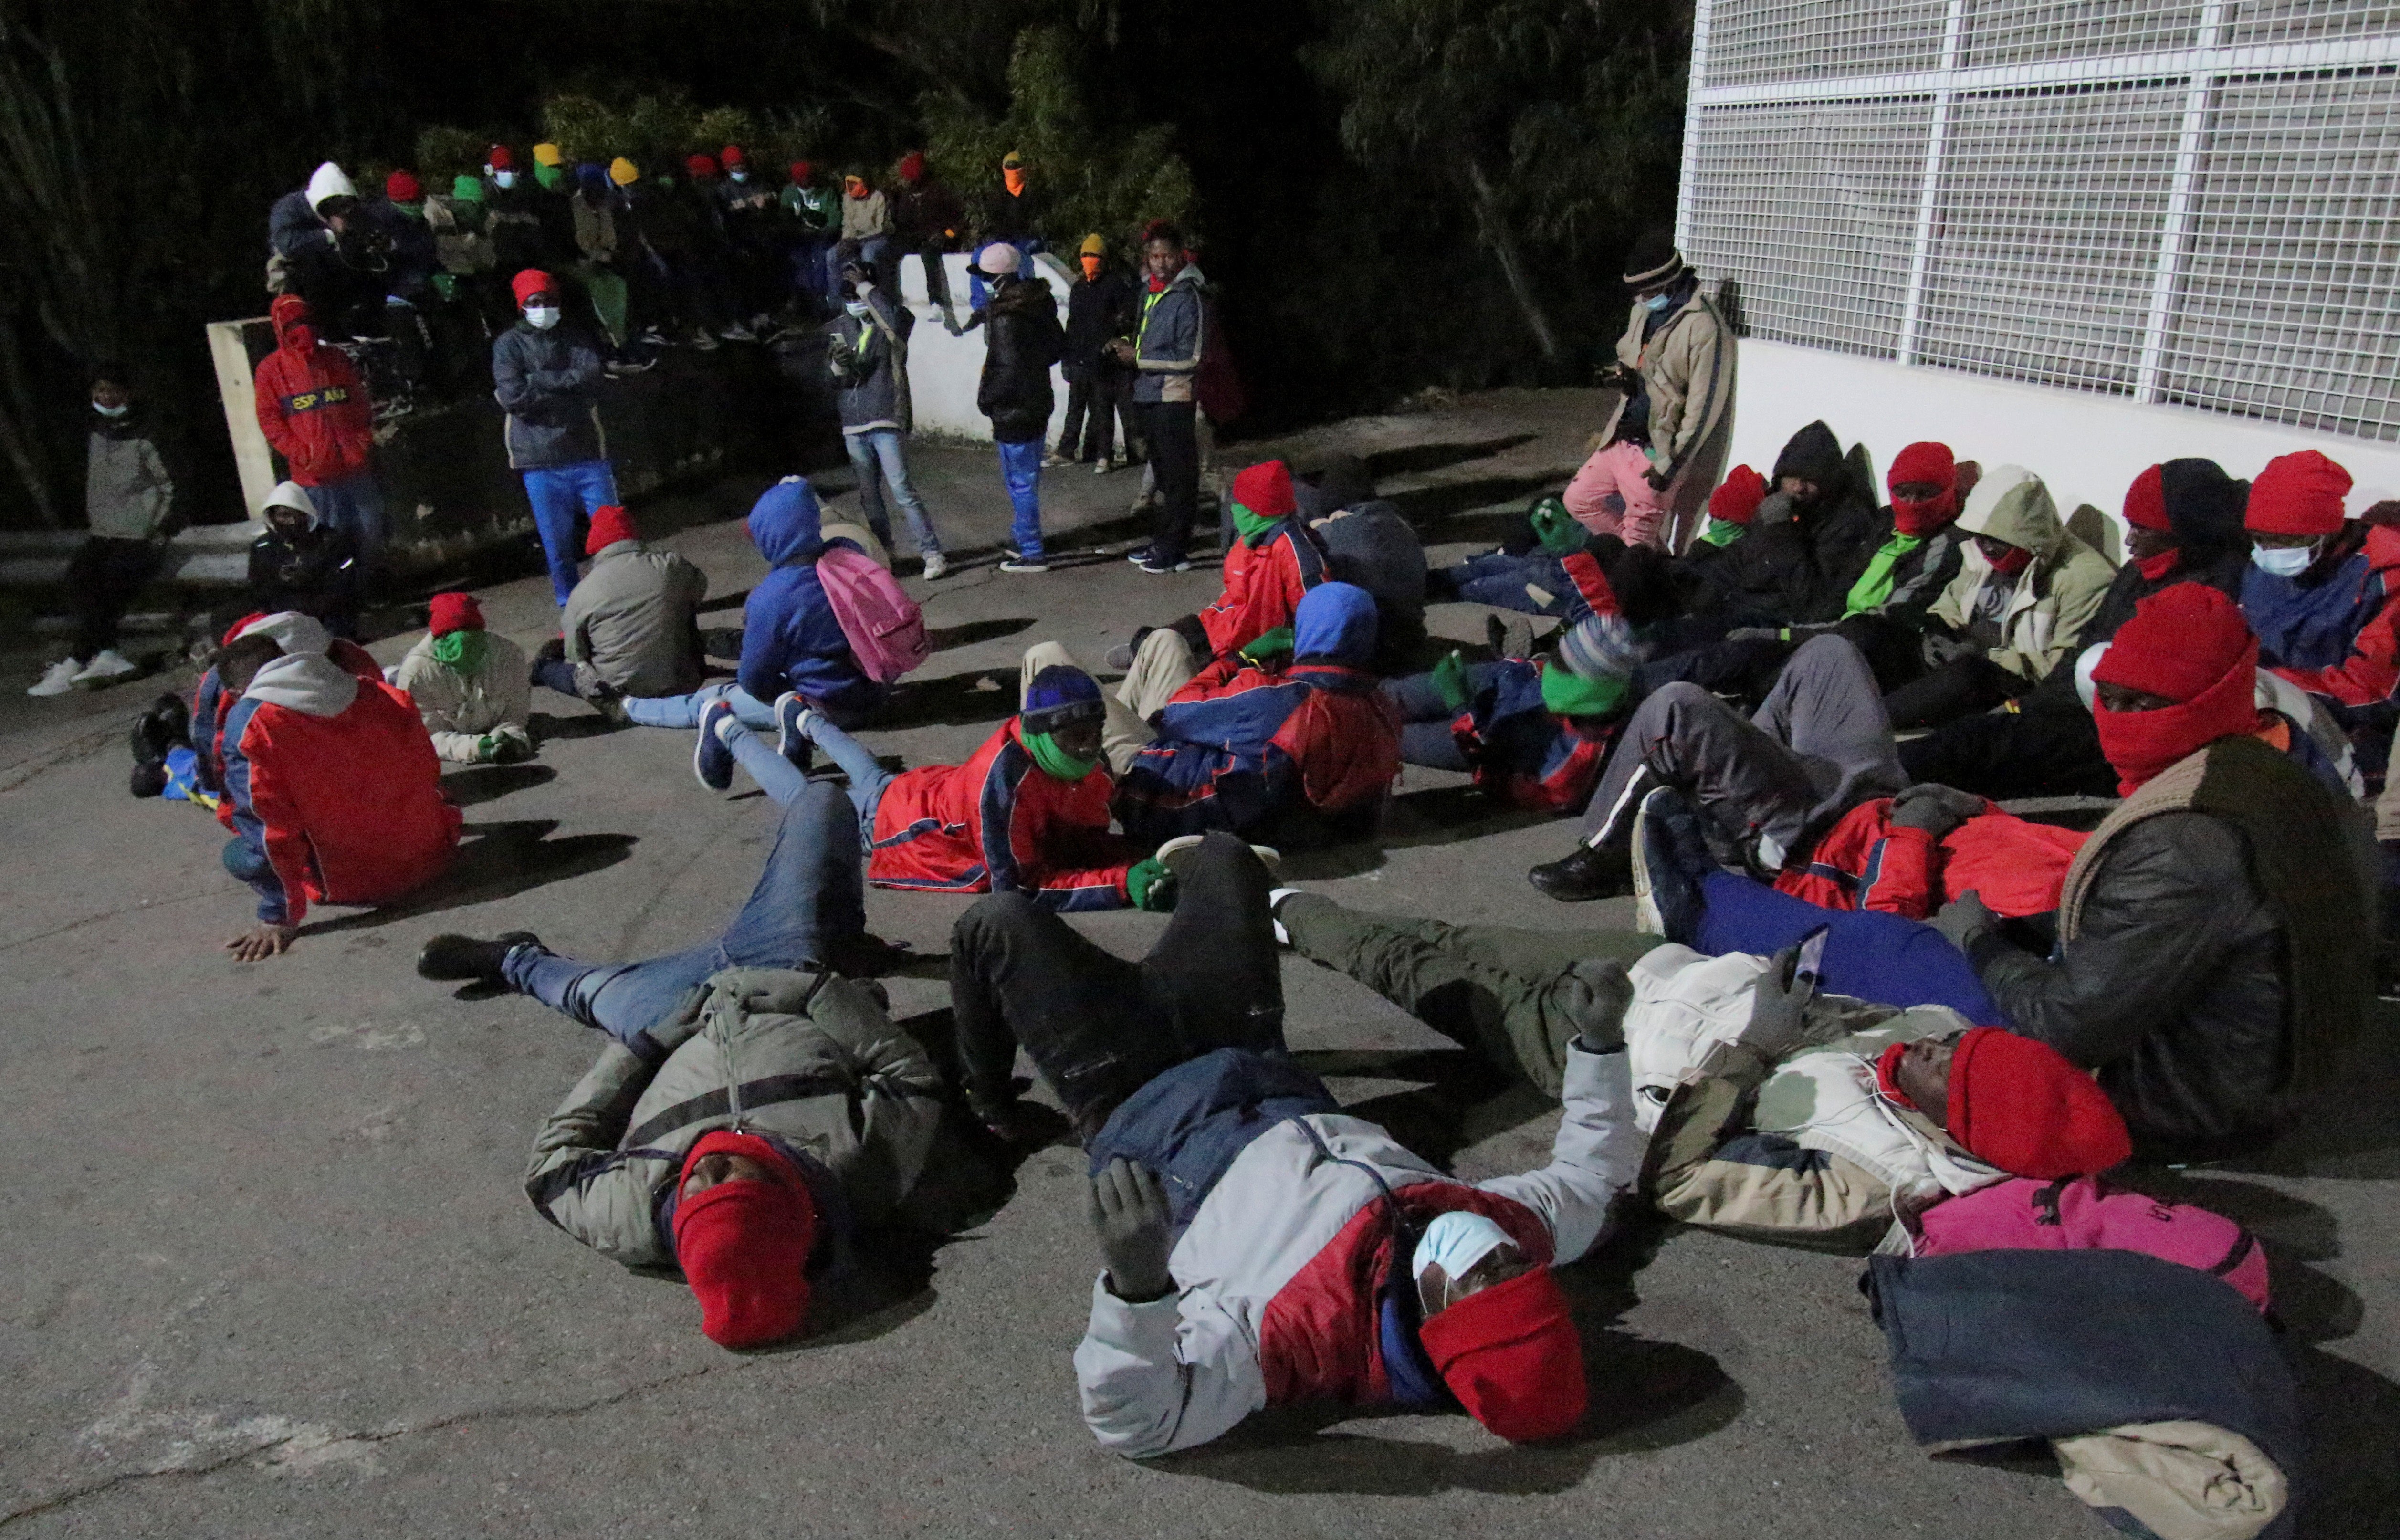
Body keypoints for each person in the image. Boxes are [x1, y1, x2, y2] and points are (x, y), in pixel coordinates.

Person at [946, 837, 1641, 1454]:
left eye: (1486, 1280)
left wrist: (1137, 1291)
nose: (1499, 1252)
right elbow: (1593, 1173)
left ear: (1437, 1323)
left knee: (996, 922)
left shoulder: (1294, 1340)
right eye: (1520, 1268)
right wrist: (1600, 1045)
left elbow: (1137, 1421)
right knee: (1225, 858)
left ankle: (987, 1100)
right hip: (1255, 1057)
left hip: (1133, 1092)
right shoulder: (1506, 1225)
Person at [413, 781, 950, 1350]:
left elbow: (549, 1168)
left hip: (669, 1015)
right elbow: (909, 1077)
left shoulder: (632, 1214)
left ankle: (514, 956)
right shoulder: (860, 1169)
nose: (709, 1166)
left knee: (584, 989)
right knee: (822, 801)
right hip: (783, 969)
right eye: (735, 1181)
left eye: (697, 1190)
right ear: (790, 1200)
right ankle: (844, 941)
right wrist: (820, 992)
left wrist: (644, 1047)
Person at [1931, 582, 2370, 1153]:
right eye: (2110, 698)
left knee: (1913, 1025)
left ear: (2209, 699)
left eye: (2146, 704)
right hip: (2268, 1062)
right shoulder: (2262, 770)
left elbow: (2067, 1025)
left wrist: (1974, 942)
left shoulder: (2185, 841)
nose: (2118, 719)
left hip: (2191, 1106)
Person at [1900, 459, 2253, 798]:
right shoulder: (2138, 573)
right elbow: (2083, 649)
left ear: (2182, 531)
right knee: (1976, 736)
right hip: (2083, 704)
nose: (2129, 541)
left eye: (2142, 529)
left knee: (1985, 747)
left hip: (2126, 733)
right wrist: (2031, 706)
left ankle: (1883, 776)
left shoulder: (2215, 593)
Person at [711, 663, 1154, 913]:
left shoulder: (1077, 758)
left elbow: (1079, 839)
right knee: (807, 801)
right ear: (1037, 733)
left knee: (876, 779)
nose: (1088, 744)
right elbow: (1019, 892)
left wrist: (1146, 854)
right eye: (1072, 734)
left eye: (1093, 731)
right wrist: (1121, 883)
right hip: (894, 825)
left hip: (920, 792)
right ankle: (729, 730)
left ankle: (805, 720)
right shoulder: (999, 788)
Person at [1528, 633, 1905, 901]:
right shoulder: (1592, 739)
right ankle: (1606, 853)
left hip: (1828, 817)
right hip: (1808, 817)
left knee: (1827, 651)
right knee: (1677, 704)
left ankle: (1605, 857)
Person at [213, 629, 461, 961]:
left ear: (235, 691)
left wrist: (279, 915)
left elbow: (268, 828)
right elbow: (427, 773)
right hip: (433, 858)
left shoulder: (252, 724)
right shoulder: (373, 690)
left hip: (355, 884)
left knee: (236, 853)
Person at [1115, 583, 1403, 849]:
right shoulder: (1383, 708)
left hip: (1163, 795)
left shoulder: (1276, 699)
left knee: (1077, 679)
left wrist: (1240, 661)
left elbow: (1172, 716)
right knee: (1166, 642)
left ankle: (1094, 784)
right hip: (1293, 827)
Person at [1890, 465, 2112, 731]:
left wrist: (1987, 656)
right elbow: (1952, 600)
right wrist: (1937, 628)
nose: (1986, 547)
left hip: (2008, 683)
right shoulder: (1984, 549)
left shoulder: (2084, 578)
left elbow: (2062, 668)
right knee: (1879, 634)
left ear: (2027, 537)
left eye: (1996, 540)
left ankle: (1868, 725)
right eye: (1981, 537)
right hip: (1960, 661)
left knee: (1970, 673)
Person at [1561, 230, 1737, 552]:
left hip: (1657, 452)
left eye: (1647, 291)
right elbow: (1641, 361)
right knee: (1577, 500)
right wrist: (1623, 375)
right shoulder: (1645, 310)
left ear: (1668, 282)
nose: (1640, 299)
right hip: (1623, 435)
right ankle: (1646, 559)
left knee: (1636, 543)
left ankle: (1638, 571)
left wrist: (1671, 465)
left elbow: (1704, 407)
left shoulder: (1704, 328)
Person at [2238, 449, 2400, 774]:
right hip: (2258, 713)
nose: (2271, 552)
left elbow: (2375, 692)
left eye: (2286, 541)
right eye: (2260, 539)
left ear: (2327, 532)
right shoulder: (2261, 568)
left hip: (2345, 740)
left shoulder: (2382, 579)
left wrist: (2272, 686)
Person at [1384, 625, 1633, 815]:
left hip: (1483, 744)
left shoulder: (1565, 771)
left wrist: (1462, 710)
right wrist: (1512, 666)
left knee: (1386, 738)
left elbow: (1499, 783)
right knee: (1393, 695)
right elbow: (1537, 673)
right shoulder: (1580, 682)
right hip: (1504, 690)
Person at [31, 371, 175, 697]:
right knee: (80, 579)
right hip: (104, 532)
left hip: (140, 535)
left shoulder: (149, 432)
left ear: (127, 392)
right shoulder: (91, 430)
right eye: (99, 390)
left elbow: (170, 485)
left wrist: (156, 528)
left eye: (113, 389)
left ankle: (78, 658)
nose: (106, 396)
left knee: (110, 585)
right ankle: (105, 653)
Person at [493, 268, 616, 606]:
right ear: (522, 305)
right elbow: (514, 397)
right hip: (539, 461)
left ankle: (617, 597)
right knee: (558, 547)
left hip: (587, 452)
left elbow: (592, 376)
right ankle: (571, 608)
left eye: (548, 300)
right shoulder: (507, 345)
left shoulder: (575, 336)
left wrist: (538, 380)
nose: (542, 307)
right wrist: (566, 387)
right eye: (534, 301)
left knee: (614, 537)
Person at [828, 262, 946, 577]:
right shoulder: (839, 325)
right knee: (870, 496)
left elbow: (894, 321)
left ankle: (932, 553)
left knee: (902, 489)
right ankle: (886, 554)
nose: (853, 301)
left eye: (857, 294)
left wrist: (866, 288)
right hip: (853, 422)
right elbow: (834, 379)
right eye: (848, 295)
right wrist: (839, 367)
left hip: (885, 416)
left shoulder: (894, 320)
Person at [252, 295, 384, 570]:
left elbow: (360, 405)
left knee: (370, 531)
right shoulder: (270, 370)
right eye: (294, 324)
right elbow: (270, 420)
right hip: (315, 476)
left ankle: (367, 589)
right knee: (330, 540)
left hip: (355, 467)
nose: (303, 330)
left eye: (307, 322)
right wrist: (303, 454)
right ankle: (343, 595)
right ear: (280, 329)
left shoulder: (336, 359)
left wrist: (361, 443)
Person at [533, 504, 708, 708]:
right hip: (683, 683)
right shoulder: (671, 565)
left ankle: (539, 669)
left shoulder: (582, 592)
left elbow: (575, 658)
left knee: (552, 666)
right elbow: (699, 589)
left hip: (618, 697)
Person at [1110, 225, 1205, 574]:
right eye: (1154, 256)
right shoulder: (1148, 292)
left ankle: (1176, 551)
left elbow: (1191, 358)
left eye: (1166, 255)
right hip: (1147, 394)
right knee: (1164, 477)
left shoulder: (1189, 297)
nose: (1160, 263)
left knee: (1180, 478)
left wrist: (1139, 361)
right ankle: (1163, 542)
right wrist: (1123, 343)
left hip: (1174, 397)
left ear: (1181, 255)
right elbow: (1141, 336)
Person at [975, 244, 1065, 573]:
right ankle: (1023, 537)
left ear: (997, 278)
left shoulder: (1006, 317)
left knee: (1020, 482)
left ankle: (1031, 548)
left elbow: (1005, 369)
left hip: (1013, 407)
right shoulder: (1038, 306)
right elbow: (1056, 349)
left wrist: (987, 399)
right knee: (1026, 479)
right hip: (1036, 402)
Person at [390, 592, 534, 764]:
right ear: (439, 640)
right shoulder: (416, 673)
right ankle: (390, 675)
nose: (467, 654)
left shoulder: (509, 656)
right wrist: (475, 748)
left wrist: (509, 739)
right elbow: (427, 736)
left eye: (475, 644)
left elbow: (515, 715)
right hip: (416, 684)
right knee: (396, 694)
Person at [267, 161, 382, 342]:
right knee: (312, 266)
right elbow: (288, 245)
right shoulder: (288, 208)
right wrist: (330, 234)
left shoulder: (351, 214)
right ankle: (320, 331)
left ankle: (359, 325)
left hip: (334, 270)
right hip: (294, 271)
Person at [246, 481, 363, 640]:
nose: (289, 523)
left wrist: (310, 578)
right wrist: (278, 579)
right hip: (284, 618)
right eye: (283, 517)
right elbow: (257, 589)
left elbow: (347, 586)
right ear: (272, 518)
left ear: (305, 514)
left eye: (293, 516)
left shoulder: (331, 541)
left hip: (326, 615)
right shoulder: (263, 548)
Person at [1059, 234, 1136, 470]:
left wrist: (1115, 345)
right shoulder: (1079, 288)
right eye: (1086, 257)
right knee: (1075, 408)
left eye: (1094, 257)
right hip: (1080, 358)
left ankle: (1104, 455)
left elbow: (1127, 322)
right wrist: (1068, 355)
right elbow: (1073, 324)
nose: (1089, 261)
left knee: (1102, 410)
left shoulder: (1115, 286)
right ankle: (1066, 451)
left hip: (1104, 360)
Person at [889, 150, 967, 332]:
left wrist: (947, 235)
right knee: (886, 254)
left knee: (929, 256)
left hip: (937, 237)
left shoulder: (939, 191)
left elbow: (959, 219)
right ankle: (891, 302)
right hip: (914, 237)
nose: (909, 182)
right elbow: (902, 222)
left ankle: (936, 303)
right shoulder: (907, 194)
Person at [971, 149, 1047, 315]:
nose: (1013, 170)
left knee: (1022, 258)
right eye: (1009, 167)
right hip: (1003, 238)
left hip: (1025, 239)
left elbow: (1037, 222)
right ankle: (980, 305)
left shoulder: (1032, 194)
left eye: (1017, 166)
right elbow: (993, 220)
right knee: (978, 256)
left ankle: (1027, 298)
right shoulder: (998, 194)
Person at [780, 160, 838, 308]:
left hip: (821, 236)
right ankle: (805, 299)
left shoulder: (826, 192)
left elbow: (834, 220)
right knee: (798, 259)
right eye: (803, 180)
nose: (808, 183)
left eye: (810, 178)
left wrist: (822, 232)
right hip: (799, 238)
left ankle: (820, 298)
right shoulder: (789, 193)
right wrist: (798, 232)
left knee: (821, 257)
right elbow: (785, 221)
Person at [831, 171, 891, 295]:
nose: (850, 187)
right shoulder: (847, 198)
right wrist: (846, 240)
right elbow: (848, 224)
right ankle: (838, 302)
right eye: (848, 183)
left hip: (876, 238)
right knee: (832, 256)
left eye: (854, 183)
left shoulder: (878, 197)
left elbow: (881, 228)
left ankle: (874, 297)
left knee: (868, 253)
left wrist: (857, 240)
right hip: (855, 239)